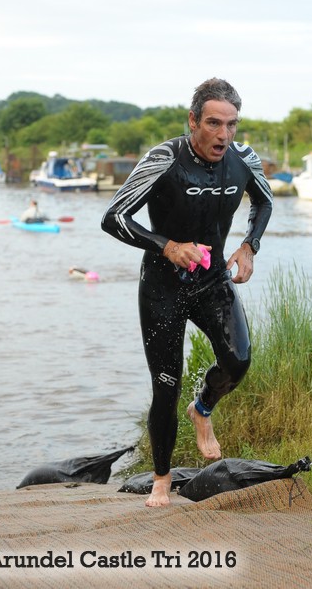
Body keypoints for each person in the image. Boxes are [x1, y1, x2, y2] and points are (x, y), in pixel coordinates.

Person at [101, 78, 273, 507]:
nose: (223, 135)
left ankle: (203, 410)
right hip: (162, 286)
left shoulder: (243, 159)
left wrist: (250, 245)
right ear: (193, 120)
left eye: (232, 124)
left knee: (238, 361)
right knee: (166, 384)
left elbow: (265, 203)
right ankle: (161, 479)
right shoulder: (164, 159)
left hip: (212, 280)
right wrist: (168, 246)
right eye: (214, 123)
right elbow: (114, 217)